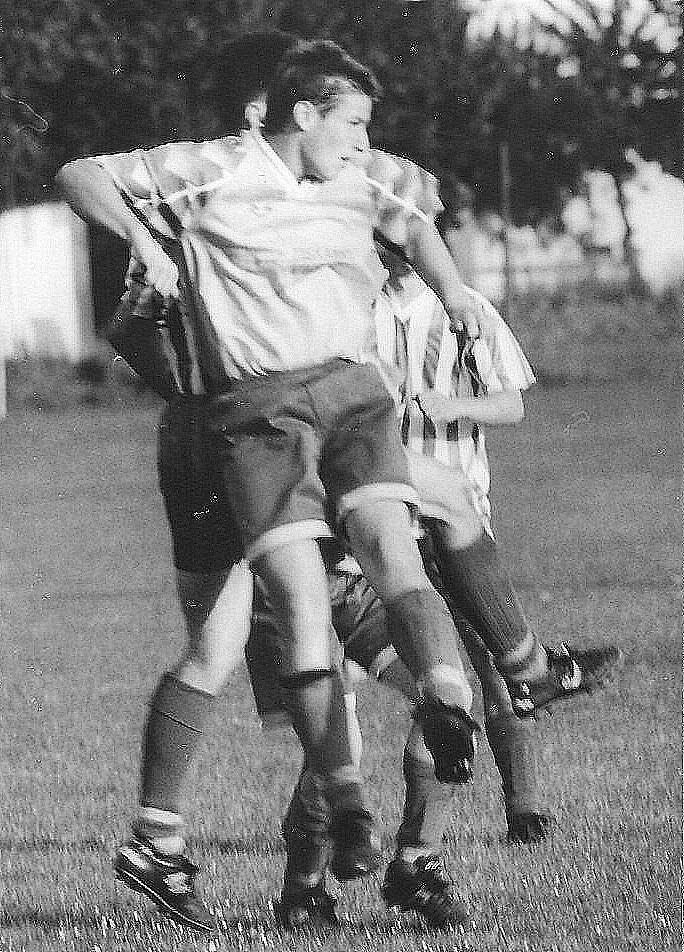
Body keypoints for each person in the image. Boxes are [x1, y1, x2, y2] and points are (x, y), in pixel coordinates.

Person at [55, 37, 491, 932]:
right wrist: (201, 369)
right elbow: (133, 324)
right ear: (269, 109)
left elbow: (130, 327)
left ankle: (182, 836)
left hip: (248, 427)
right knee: (318, 605)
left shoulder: (305, 190)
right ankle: (353, 822)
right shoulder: (203, 191)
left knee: (249, 639)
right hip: (236, 432)